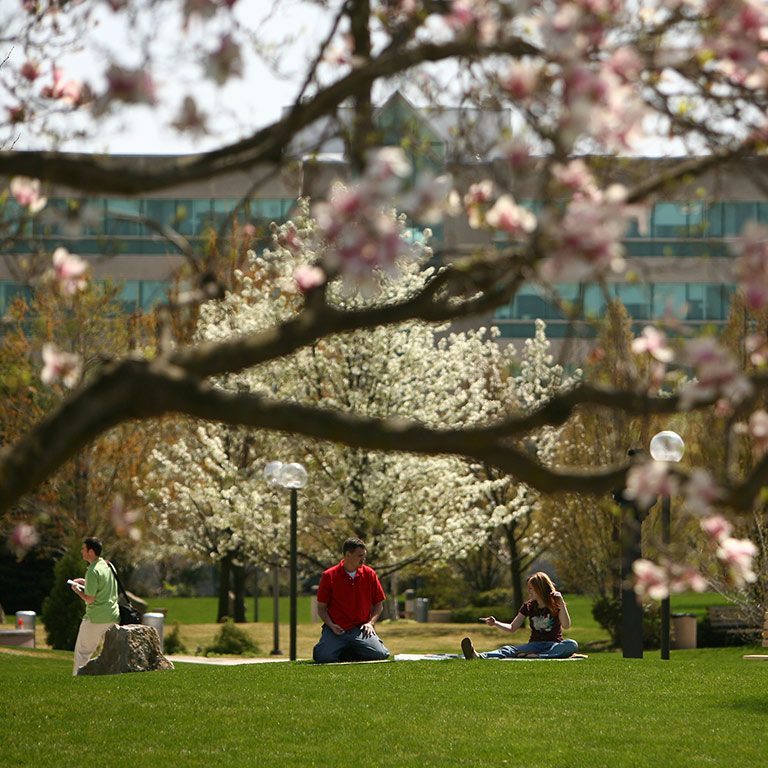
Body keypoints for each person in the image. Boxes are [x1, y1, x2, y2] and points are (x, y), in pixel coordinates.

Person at [461, 572, 579, 660]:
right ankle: (477, 656)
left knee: (571, 644)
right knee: (508, 649)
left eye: (531, 589)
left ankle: (537, 656)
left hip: (553, 645)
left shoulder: (556, 604)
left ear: (540, 589)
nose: (529, 592)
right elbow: (512, 628)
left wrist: (561, 603)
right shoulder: (527, 607)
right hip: (534, 645)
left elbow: (566, 625)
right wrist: (495, 622)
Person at [312, 537, 390, 663]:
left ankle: (350, 648)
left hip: (360, 628)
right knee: (323, 658)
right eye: (359, 556)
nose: (363, 559)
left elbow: (379, 605)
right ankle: (336, 647)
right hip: (337, 629)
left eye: (364, 555)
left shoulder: (370, 574)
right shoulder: (329, 576)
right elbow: (321, 608)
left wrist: (370, 623)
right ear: (348, 555)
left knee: (380, 654)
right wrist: (331, 625)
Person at [70, 536, 119, 675]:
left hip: (96, 618)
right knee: (110, 654)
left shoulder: (92, 571)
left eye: (83, 549)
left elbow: (89, 599)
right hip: (113, 616)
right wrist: (85, 582)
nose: (81, 551)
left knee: (82, 653)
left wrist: (77, 589)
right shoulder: (108, 566)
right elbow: (103, 586)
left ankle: (78, 680)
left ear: (91, 552)